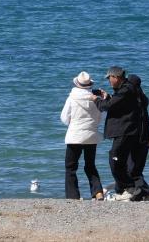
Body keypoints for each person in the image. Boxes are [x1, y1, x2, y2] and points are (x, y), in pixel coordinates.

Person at [94, 65, 143, 201]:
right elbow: (118, 104)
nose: (109, 81)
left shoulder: (125, 90)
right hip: (127, 131)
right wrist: (108, 97)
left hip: (125, 131)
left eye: (109, 78)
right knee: (119, 160)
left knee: (115, 159)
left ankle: (129, 188)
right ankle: (128, 189)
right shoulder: (125, 89)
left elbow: (107, 106)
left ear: (116, 77)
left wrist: (96, 100)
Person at [60, 71, 104, 200]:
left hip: (75, 136)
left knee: (70, 167)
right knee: (90, 165)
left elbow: (64, 118)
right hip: (91, 135)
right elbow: (102, 117)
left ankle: (73, 196)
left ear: (77, 84)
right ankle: (98, 192)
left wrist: (73, 123)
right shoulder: (96, 99)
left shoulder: (72, 98)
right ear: (89, 85)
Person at [126, 73, 149, 201]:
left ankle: (145, 192)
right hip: (145, 140)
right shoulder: (142, 99)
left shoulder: (132, 100)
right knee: (136, 168)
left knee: (131, 168)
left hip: (136, 139)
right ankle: (141, 193)